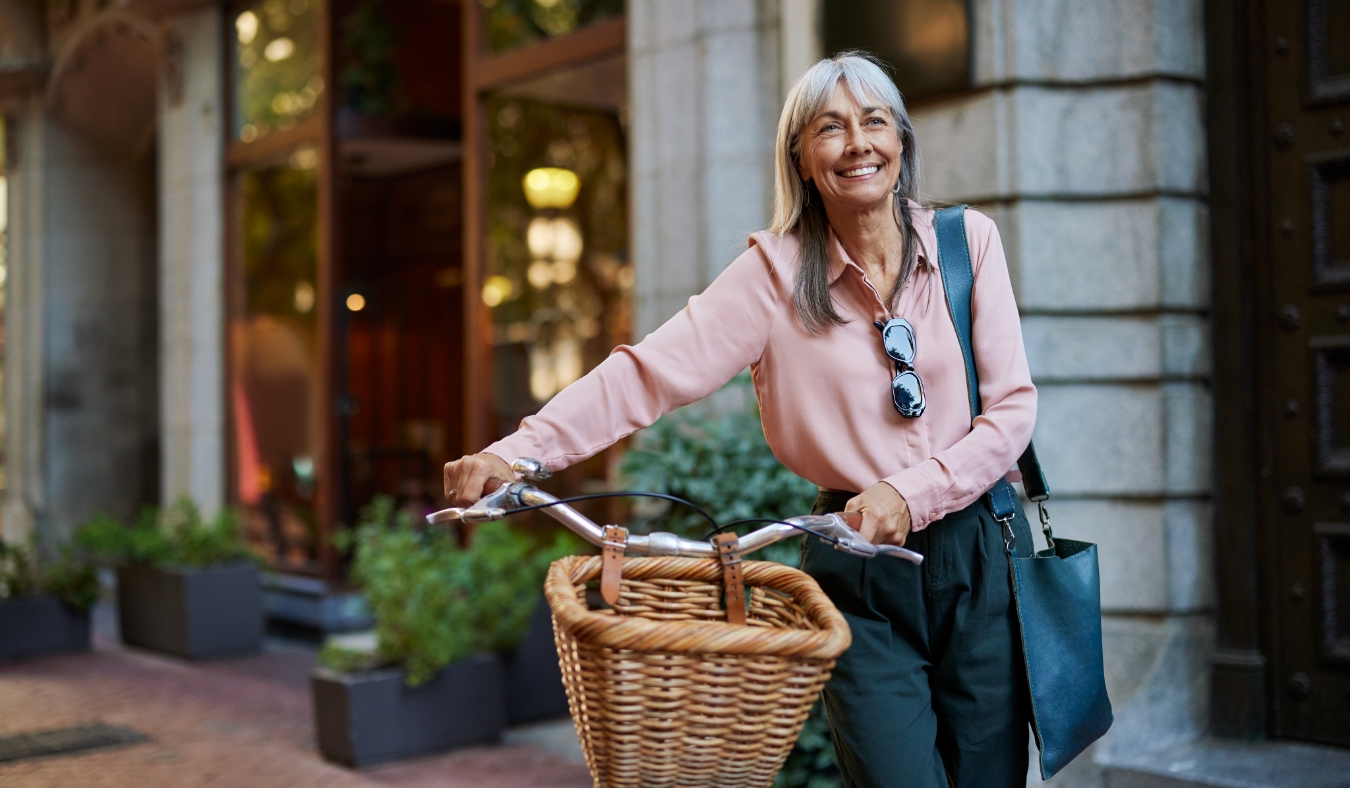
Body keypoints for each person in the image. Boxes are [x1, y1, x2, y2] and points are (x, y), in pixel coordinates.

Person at [444, 51, 1037, 788]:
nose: (857, 143)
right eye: (831, 127)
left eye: (874, 122)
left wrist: (913, 493)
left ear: (902, 141)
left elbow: (1012, 409)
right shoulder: (773, 275)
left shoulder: (967, 243)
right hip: (855, 565)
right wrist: (519, 452)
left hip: (980, 549)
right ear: (801, 156)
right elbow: (648, 371)